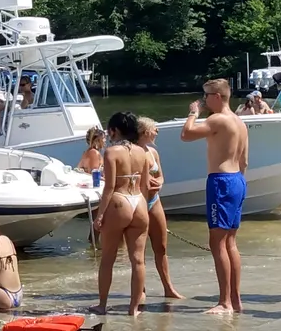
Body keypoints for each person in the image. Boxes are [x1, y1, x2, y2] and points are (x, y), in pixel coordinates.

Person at [182, 78, 249, 315]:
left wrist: (192, 113)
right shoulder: (239, 123)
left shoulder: (217, 119)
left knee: (217, 242)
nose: (204, 100)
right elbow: (244, 161)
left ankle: (225, 302)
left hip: (221, 181)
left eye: (207, 96)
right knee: (230, 241)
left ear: (218, 97)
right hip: (238, 180)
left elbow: (186, 135)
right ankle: (235, 299)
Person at [95, 111, 153, 313]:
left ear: (115, 130)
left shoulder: (111, 152)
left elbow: (109, 187)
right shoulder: (142, 152)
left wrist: (100, 215)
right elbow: (146, 184)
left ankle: (102, 305)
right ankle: (134, 308)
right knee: (138, 259)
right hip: (139, 202)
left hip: (120, 200)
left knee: (108, 258)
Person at [137, 116, 185, 301]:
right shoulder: (133, 151)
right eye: (154, 129)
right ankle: (140, 289)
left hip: (154, 200)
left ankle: (168, 287)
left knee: (161, 247)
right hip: (139, 202)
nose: (157, 132)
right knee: (138, 250)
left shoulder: (153, 152)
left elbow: (161, 176)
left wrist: (159, 183)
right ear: (145, 131)